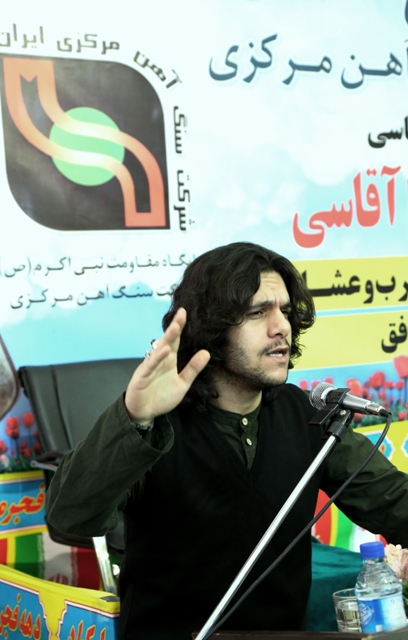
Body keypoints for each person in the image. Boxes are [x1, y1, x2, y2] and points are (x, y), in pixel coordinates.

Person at [46, 241, 408, 640]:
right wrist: (134, 419)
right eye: (257, 312)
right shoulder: (154, 425)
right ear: (212, 327)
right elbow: (70, 515)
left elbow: (395, 501)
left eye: (285, 311)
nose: (281, 327)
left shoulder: (307, 416)